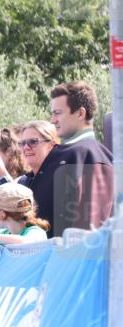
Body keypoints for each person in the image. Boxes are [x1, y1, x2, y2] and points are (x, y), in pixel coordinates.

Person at [25, 82, 114, 235]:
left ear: (80, 113)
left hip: (66, 255)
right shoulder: (88, 154)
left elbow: (89, 225)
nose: (52, 120)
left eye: (58, 113)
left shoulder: (84, 155)